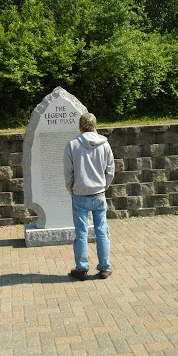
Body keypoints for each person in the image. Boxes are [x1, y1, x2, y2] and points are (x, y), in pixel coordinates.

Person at [64, 113, 115, 280]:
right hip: (99, 194)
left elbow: (68, 174)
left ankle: (82, 268)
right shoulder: (105, 144)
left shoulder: (72, 145)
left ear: (79, 127)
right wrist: (103, 187)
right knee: (101, 231)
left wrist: (72, 190)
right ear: (96, 126)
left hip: (80, 195)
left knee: (81, 233)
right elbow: (110, 171)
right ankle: (105, 267)